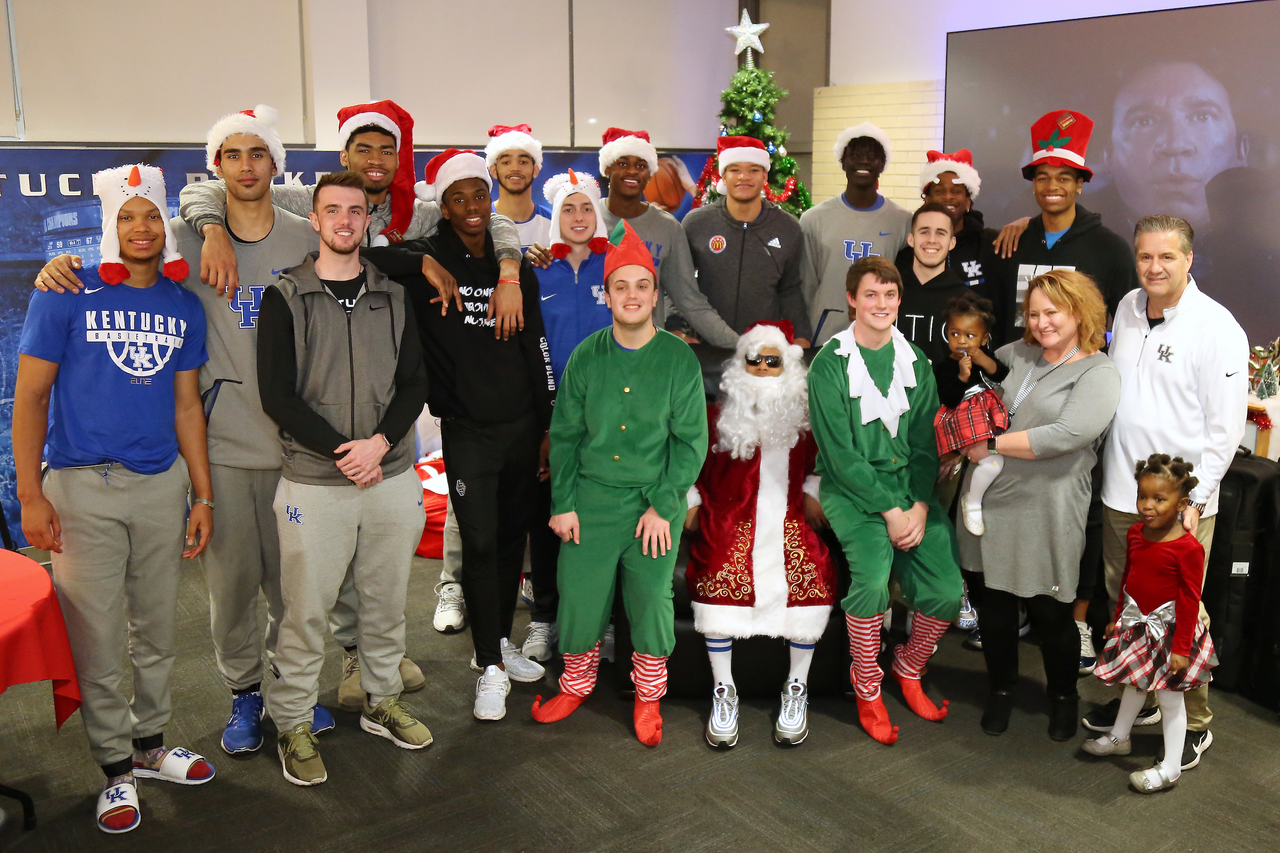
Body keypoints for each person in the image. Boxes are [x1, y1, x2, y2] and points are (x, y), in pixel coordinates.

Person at [15, 164, 214, 833]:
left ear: (167, 227)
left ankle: (150, 742)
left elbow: (189, 407)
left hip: (160, 484)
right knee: (96, 636)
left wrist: (202, 493)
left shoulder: (184, 305)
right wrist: (30, 494)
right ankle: (113, 767)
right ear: (110, 225)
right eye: (127, 215)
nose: (140, 227)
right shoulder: (64, 293)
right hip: (79, 488)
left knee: (157, 627)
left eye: (151, 215)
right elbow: (31, 398)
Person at [363, 150, 555, 720]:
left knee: (508, 542)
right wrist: (421, 265)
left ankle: (494, 648)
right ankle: (490, 666)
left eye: (479, 195)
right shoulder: (428, 254)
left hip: (523, 426)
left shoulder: (514, 265)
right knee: (479, 541)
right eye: (458, 199)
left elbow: (537, 350)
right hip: (468, 428)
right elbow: (369, 255)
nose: (471, 208)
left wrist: (547, 425)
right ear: (441, 207)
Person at [257, 171, 432, 787]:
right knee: (305, 612)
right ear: (316, 220)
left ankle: (380, 699)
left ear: (368, 220)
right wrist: (342, 450)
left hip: (390, 476)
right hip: (314, 481)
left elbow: (416, 382)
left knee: (386, 604)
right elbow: (277, 395)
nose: (344, 220)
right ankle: (293, 722)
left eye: (356, 211)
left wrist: (379, 444)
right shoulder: (284, 296)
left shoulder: (395, 295)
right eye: (332, 210)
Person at [530, 220, 708, 747]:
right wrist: (563, 503)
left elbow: (690, 442)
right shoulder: (587, 355)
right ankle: (576, 682)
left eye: (642, 286)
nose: (631, 296)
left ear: (657, 295)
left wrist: (663, 505)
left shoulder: (679, 359)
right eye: (620, 286)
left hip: (654, 503)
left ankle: (649, 695)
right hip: (590, 499)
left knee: (651, 600)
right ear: (606, 295)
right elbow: (564, 436)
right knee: (580, 597)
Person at [1085, 214, 1248, 773]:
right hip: (1121, 496)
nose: (1154, 268)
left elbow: (1225, 430)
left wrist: (1193, 503)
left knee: (1183, 614)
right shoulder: (1128, 308)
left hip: (1180, 508)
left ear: (1189, 259)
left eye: (1167, 257)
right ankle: (1148, 701)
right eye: (1145, 257)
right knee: (1127, 606)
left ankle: (1195, 722)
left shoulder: (1217, 327)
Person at [955, 269, 1120, 741]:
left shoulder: (1097, 370)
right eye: (1034, 312)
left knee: (1052, 614)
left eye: (1054, 312)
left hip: (1047, 509)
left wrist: (991, 444)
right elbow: (973, 393)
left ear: (1079, 312)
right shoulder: (1013, 354)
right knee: (995, 609)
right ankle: (1002, 689)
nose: (1042, 322)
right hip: (987, 505)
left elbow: (1068, 435)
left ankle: (1062, 695)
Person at [807, 256, 963, 745]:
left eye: (890, 295)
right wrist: (891, 512)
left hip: (909, 492)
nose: (881, 304)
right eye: (870, 294)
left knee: (947, 590)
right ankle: (867, 682)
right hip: (852, 491)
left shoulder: (915, 360)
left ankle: (909, 667)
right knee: (872, 584)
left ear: (900, 301)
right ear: (852, 299)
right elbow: (839, 456)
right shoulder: (828, 364)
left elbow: (923, 443)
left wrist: (917, 504)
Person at [685, 320, 836, 747]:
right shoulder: (716, 417)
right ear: (741, 364)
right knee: (716, 568)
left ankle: (796, 687)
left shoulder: (805, 420)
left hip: (790, 518)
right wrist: (691, 503)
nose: (765, 368)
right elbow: (686, 463)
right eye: (756, 360)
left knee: (814, 573)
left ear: (787, 365)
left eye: (774, 361)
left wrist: (813, 491)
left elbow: (823, 464)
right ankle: (723, 689)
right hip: (730, 517)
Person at [1082, 454, 1219, 794]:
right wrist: (1117, 620)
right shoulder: (1135, 534)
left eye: (1159, 499)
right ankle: (1119, 736)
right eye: (1142, 496)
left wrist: (1181, 647)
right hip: (1138, 627)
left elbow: (1189, 600)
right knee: (1133, 685)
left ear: (1182, 502)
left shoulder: (1188, 548)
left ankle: (1171, 768)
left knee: (1171, 700)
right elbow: (1128, 579)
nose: (1147, 505)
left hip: (1171, 634)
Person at [520, 169, 613, 661]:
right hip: (550, 416)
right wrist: (544, 426)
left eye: (586, 209)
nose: (578, 218)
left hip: (609, 416)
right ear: (555, 219)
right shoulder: (534, 271)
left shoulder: (615, 267)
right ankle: (544, 617)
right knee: (547, 519)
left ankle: (606, 620)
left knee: (602, 520)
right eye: (567, 210)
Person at [992, 109, 1139, 346]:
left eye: (1063, 178)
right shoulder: (1014, 244)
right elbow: (999, 319)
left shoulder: (1110, 248)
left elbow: (1131, 326)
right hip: (1018, 375)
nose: (1052, 186)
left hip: (1080, 377)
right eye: (1043, 178)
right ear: (1033, 185)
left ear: (1079, 185)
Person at [596, 126, 739, 348]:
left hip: (647, 353)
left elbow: (690, 302)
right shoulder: (584, 219)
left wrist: (741, 347)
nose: (632, 171)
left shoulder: (667, 228)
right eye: (623, 163)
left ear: (650, 174)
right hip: (593, 349)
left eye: (641, 165)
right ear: (607, 169)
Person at [682, 135, 811, 345]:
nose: (744, 177)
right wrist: (677, 329)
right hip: (706, 346)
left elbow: (791, 290)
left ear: (765, 177)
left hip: (763, 352)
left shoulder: (788, 228)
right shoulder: (696, 224)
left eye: (753, 170)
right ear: (723, 176)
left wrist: (802, 336)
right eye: (735, 170)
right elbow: (680, 286)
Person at [800, 123, 911, 345]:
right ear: (843, 162)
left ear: (883, 164)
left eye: (872, 156)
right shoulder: (814, 219)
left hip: (880, 339)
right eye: (855, 155)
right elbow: (805, 286)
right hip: (824, 338)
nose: (864, 161)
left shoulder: (903, 221)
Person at [932, 292, 1010, 537]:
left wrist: (984, 360)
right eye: (955, 334)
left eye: (970, 335)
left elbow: (1001, 374)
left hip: (983, 421)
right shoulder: (944, 366)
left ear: (984, 338)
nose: (962, 341)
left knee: (995, 463)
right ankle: (972, 502)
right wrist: (961, 377)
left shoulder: (984, 359)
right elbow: (949, 399)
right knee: (992, 461)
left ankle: (973, 500)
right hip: (960, 423)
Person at [895, 149, 1000, 292]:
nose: (948, 197)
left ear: (968, 202)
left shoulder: (990, 245)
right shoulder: (907, 256)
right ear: (927, 200)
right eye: (939, 191)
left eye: (956, 191)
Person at [893, 202, 967, 364]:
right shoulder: (889, 293)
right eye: (924, 232)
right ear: (911, 239)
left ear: (952, 242)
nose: (932, 240)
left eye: (940, 233)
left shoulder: (967, 301)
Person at [485, 123, 552, 249]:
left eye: (523, 162)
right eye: (506, 162)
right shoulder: (479, 222)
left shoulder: (554, 223)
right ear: (494, 171)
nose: (515, 168)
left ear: (535, 170)